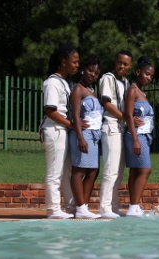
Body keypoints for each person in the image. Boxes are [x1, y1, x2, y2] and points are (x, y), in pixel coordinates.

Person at [39, 45, 79, 219]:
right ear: (63, 62)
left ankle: (70, 207)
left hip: (63, 130)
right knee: (55, 171)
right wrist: (72, 125)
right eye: (74, 62)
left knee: (65, 171)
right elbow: (50, 110)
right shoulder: (52, 82)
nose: (77, 65)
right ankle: (53, 209)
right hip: (54, 129)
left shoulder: (66, 82)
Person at [68, 54, 104, 219]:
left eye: (96, 73)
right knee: (79, 170)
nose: (93, 75)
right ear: (83, 69)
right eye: (90, 70)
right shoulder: (78, 89)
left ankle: (84, 206)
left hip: (95, 135)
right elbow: (75, 115)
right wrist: (80, 138)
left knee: (93, 171)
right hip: (83, 134)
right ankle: (80, 208)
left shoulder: (92, 92)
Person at [99, 50, 133, 219]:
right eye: (119, 62)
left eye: (125, 64)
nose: (122, 66)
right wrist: (125, 117)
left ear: (130, 66)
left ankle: (113, 206)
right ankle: (104, 207)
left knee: (119, 172)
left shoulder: (126, 82)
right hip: (111, 125)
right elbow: (106, 103)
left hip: (122, 128)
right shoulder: (108, 78)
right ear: (115, 62)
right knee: (110, 169)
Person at [123, 56, 155, 218]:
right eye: (146, 74)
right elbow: (128, 115)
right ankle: (134, 206)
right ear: (138, 72)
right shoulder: (132, 90)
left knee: (135, 171)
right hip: (135, 135)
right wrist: (135, 140)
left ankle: (134, 206)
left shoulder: (142, 93)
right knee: (145, 170)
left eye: (151, 76)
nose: (149, 78)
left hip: (144, 135)